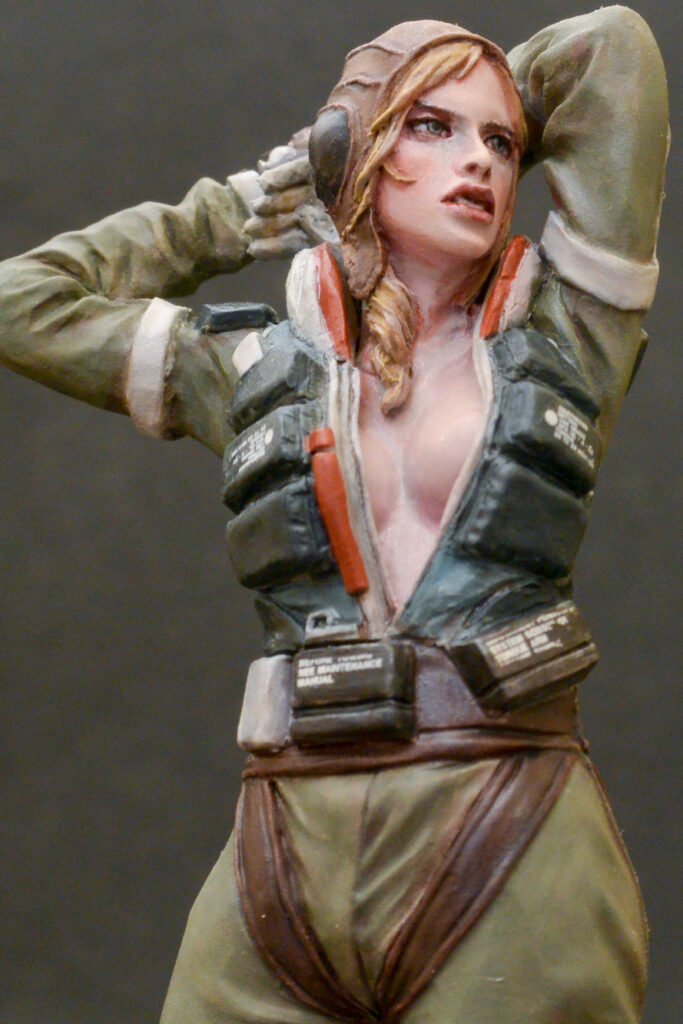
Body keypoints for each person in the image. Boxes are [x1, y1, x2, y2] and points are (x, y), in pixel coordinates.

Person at [0, 7, 669, 1023]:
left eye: (500, 142)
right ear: (358, 151)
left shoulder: (569, 341)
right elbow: (22, 300)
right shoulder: (257, 368)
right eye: (431, 127)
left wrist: (449, 81)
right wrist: (238, 208)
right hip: (287, 827)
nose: (479, 161)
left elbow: (609, 52)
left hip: (504, 818)